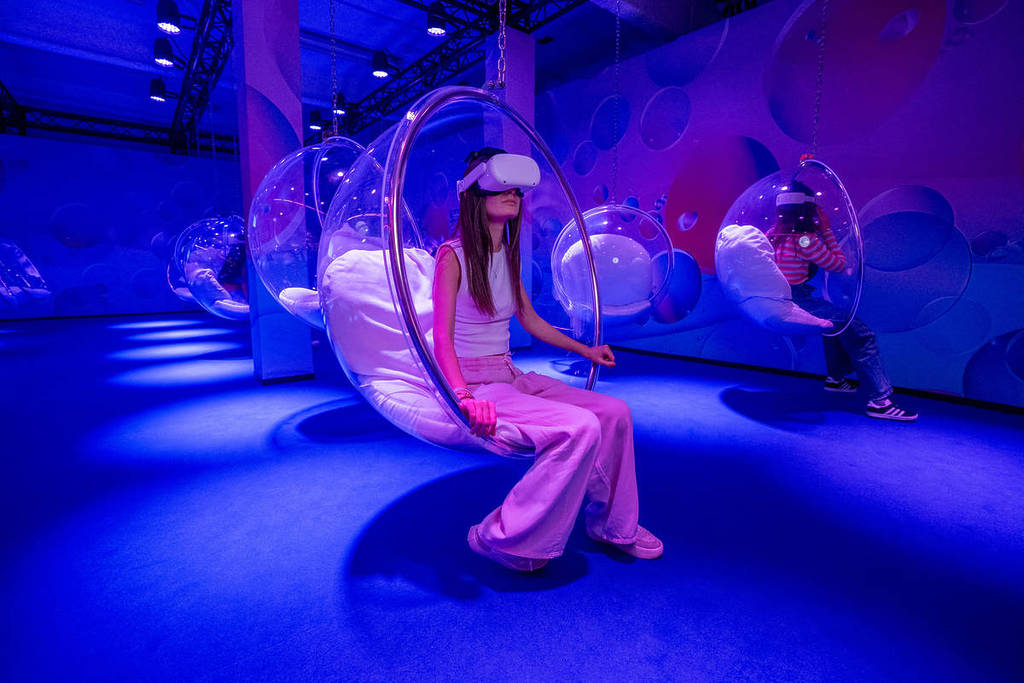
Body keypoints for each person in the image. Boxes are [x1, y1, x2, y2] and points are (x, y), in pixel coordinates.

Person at [432, 147, 663, 571]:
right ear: (474, 193)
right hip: (476, 382)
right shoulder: (453, 256)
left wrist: (586, 350)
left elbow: (532, 321)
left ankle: (614, 526)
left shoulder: (507, 255)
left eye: (517, 192)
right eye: (502, 188)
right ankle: (501, 536)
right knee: (578, 427)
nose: (513, 196)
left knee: (614, 412)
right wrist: (462, 397)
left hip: (510, 374)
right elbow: (441, 340)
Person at [768, 182, 917, 421]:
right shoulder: (804, 240)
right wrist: (825, 229)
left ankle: (836, 378)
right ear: (808, 210)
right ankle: (881, 401)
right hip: (799, 300)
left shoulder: (773, 235)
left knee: (835, 325)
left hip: (781, 297)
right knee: (861, 333)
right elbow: (837, 264)